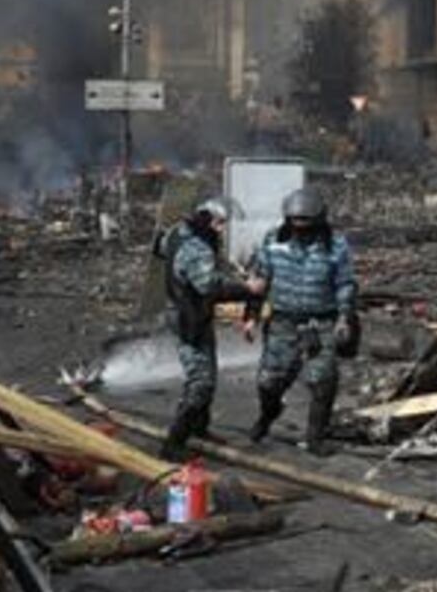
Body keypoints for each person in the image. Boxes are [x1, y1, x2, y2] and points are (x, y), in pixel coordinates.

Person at [245, 186, 358, 455]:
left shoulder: (336, 246)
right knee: (269, 381)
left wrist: (344, 317)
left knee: (322, 380)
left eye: (306, 222)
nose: (300, 227)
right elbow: (259, 280)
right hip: (283, 322)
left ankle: (315, 437)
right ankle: (268, 414)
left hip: (322, 323)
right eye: (295, 221)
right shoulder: (273, 241)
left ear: (318, 220)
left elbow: (345, 284)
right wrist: (250, 316)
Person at [153, 196, 262, 461]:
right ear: (204, 217)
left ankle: (199, 431)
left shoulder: (178, 232)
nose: (222, 229)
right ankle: (173, 444)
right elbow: (209, 287)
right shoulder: (197, 247)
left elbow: (159, 247)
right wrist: (247, 288)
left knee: (208, 374)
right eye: (219, 223)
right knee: (200, 382)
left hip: (189, 313)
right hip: (188, 317)